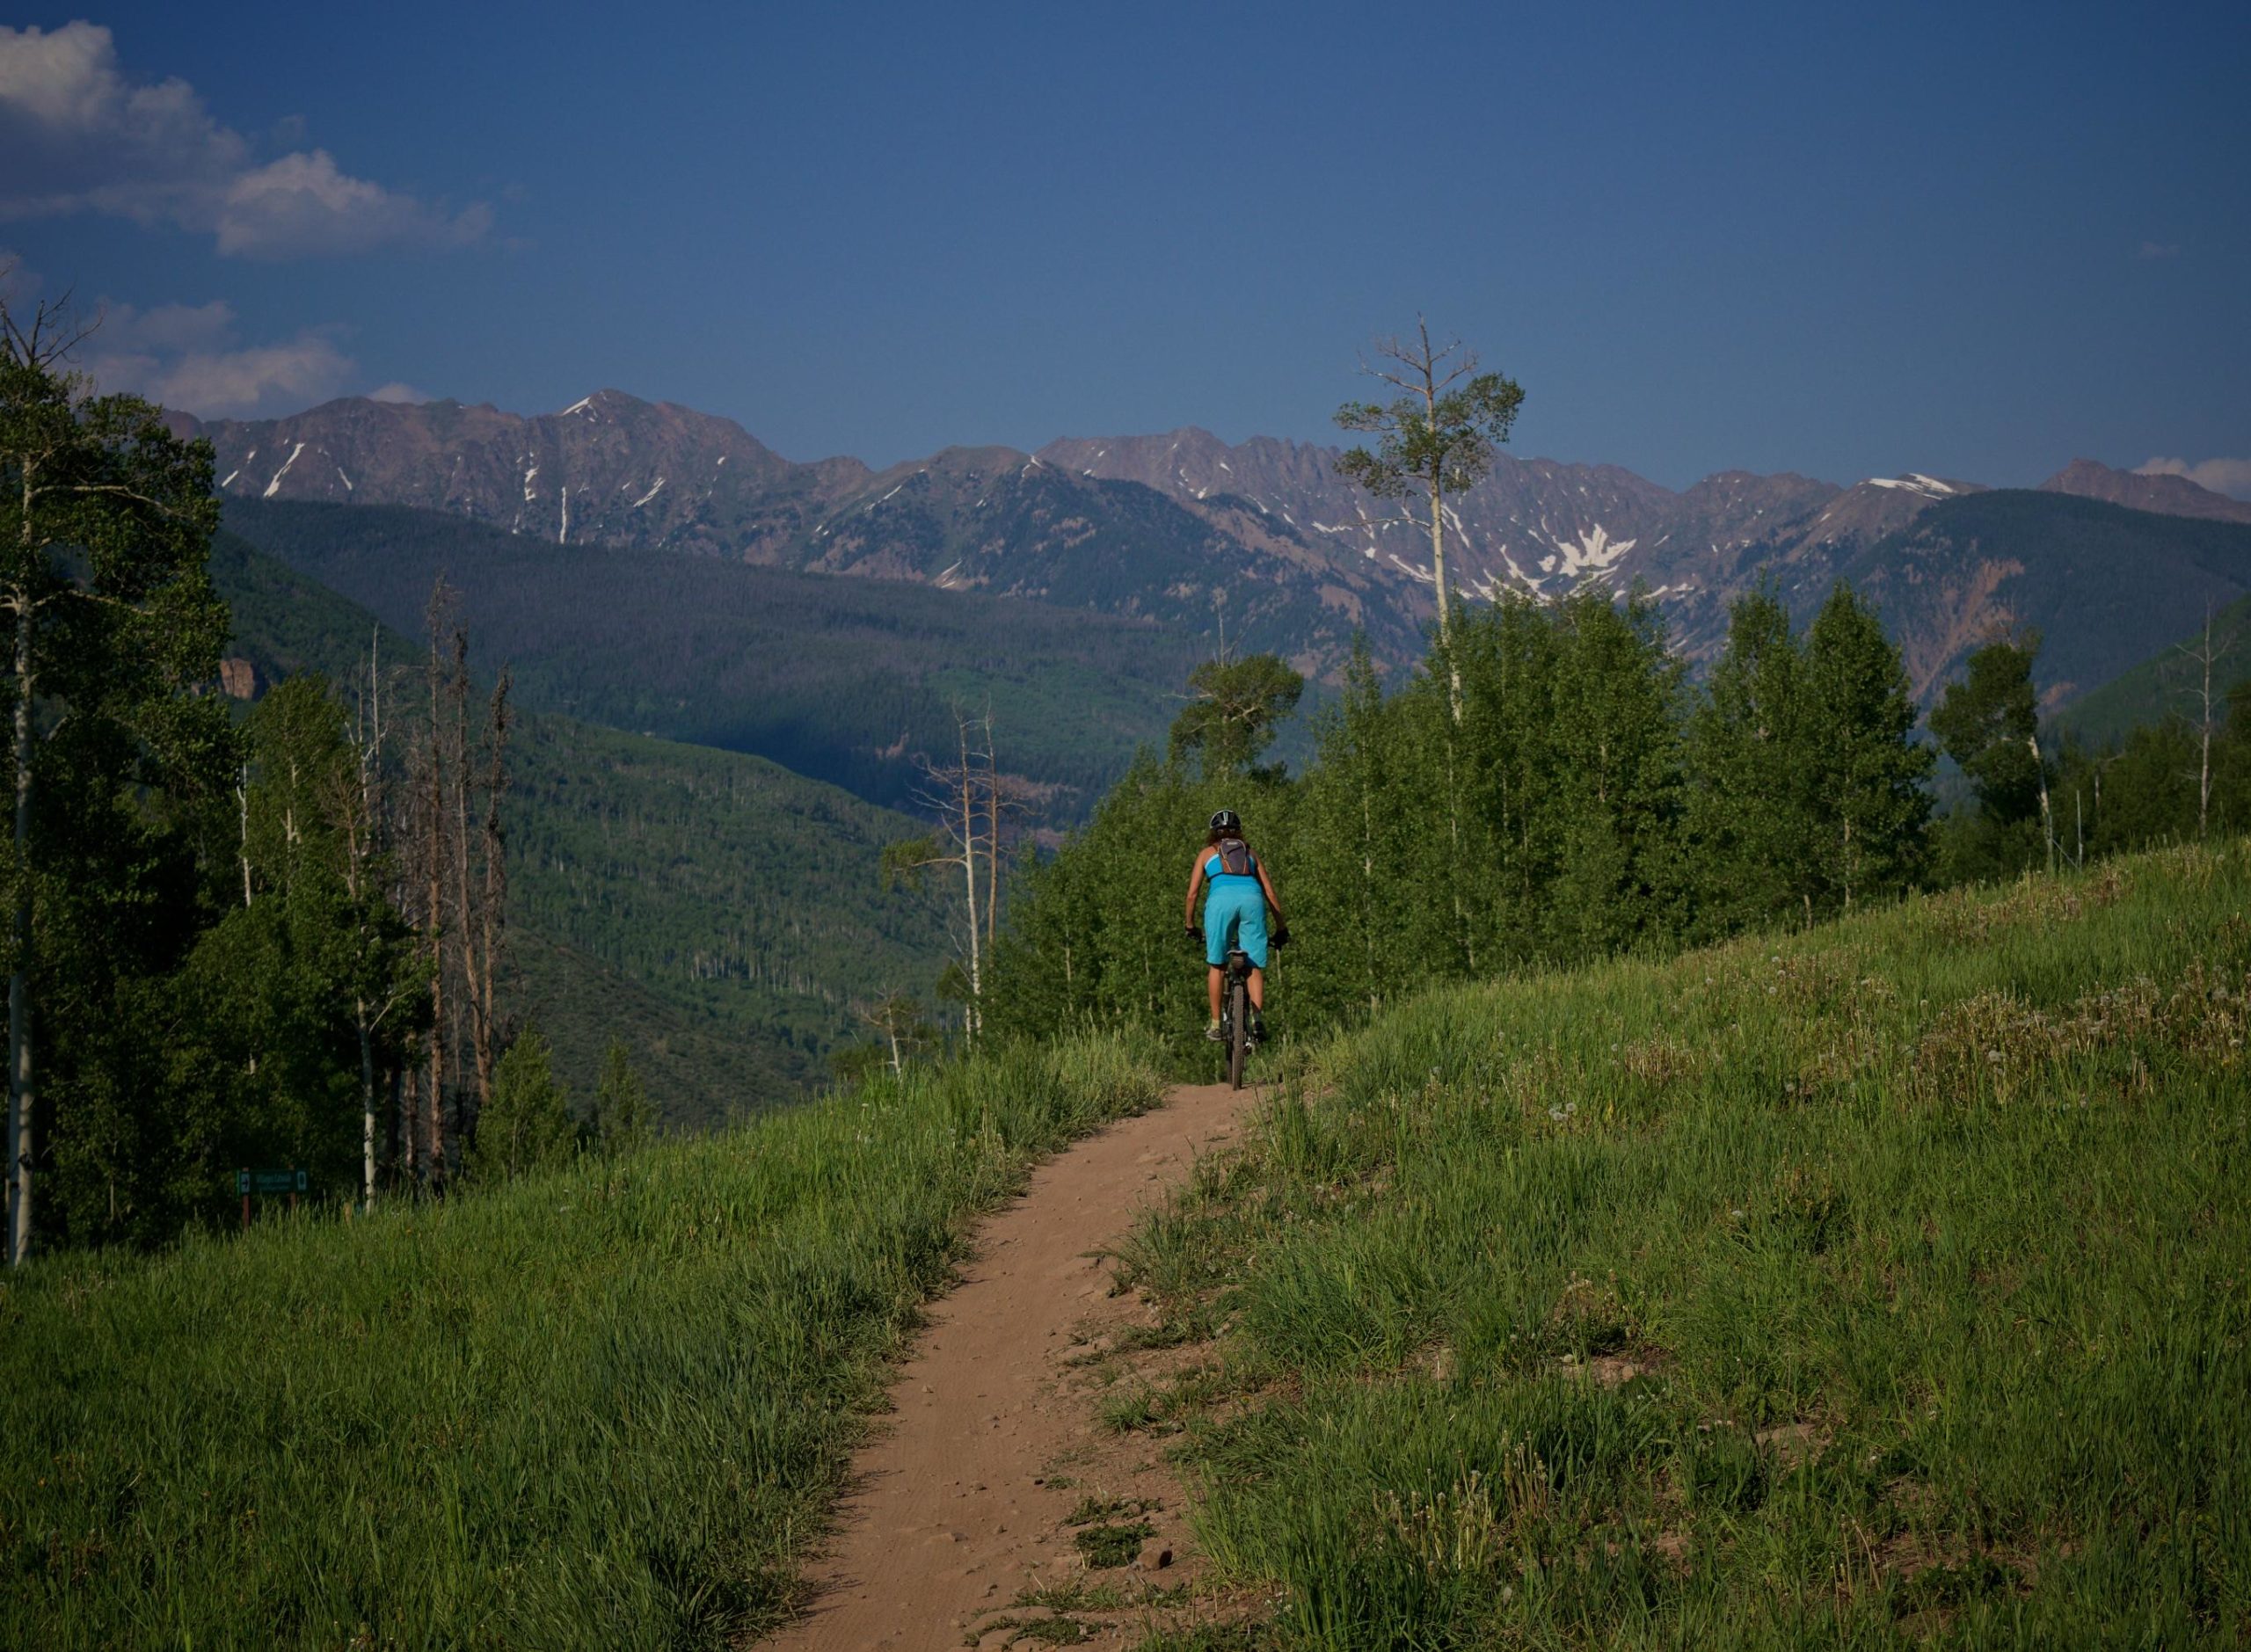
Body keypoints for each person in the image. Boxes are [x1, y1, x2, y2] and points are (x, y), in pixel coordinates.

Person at [1183, 809, 1289, 1042]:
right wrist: (1281, 928)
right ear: (1239, 832)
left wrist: (1190, 926)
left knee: (1218, 964)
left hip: (1220, 904)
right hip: (1252, 900)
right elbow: (1269, 892)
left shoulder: (1206, 854)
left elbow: (1192, 895)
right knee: (1252, 965)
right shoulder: (1251, 853)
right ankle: (1257, 1021)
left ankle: (1215, 1024)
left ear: (1213, 833)